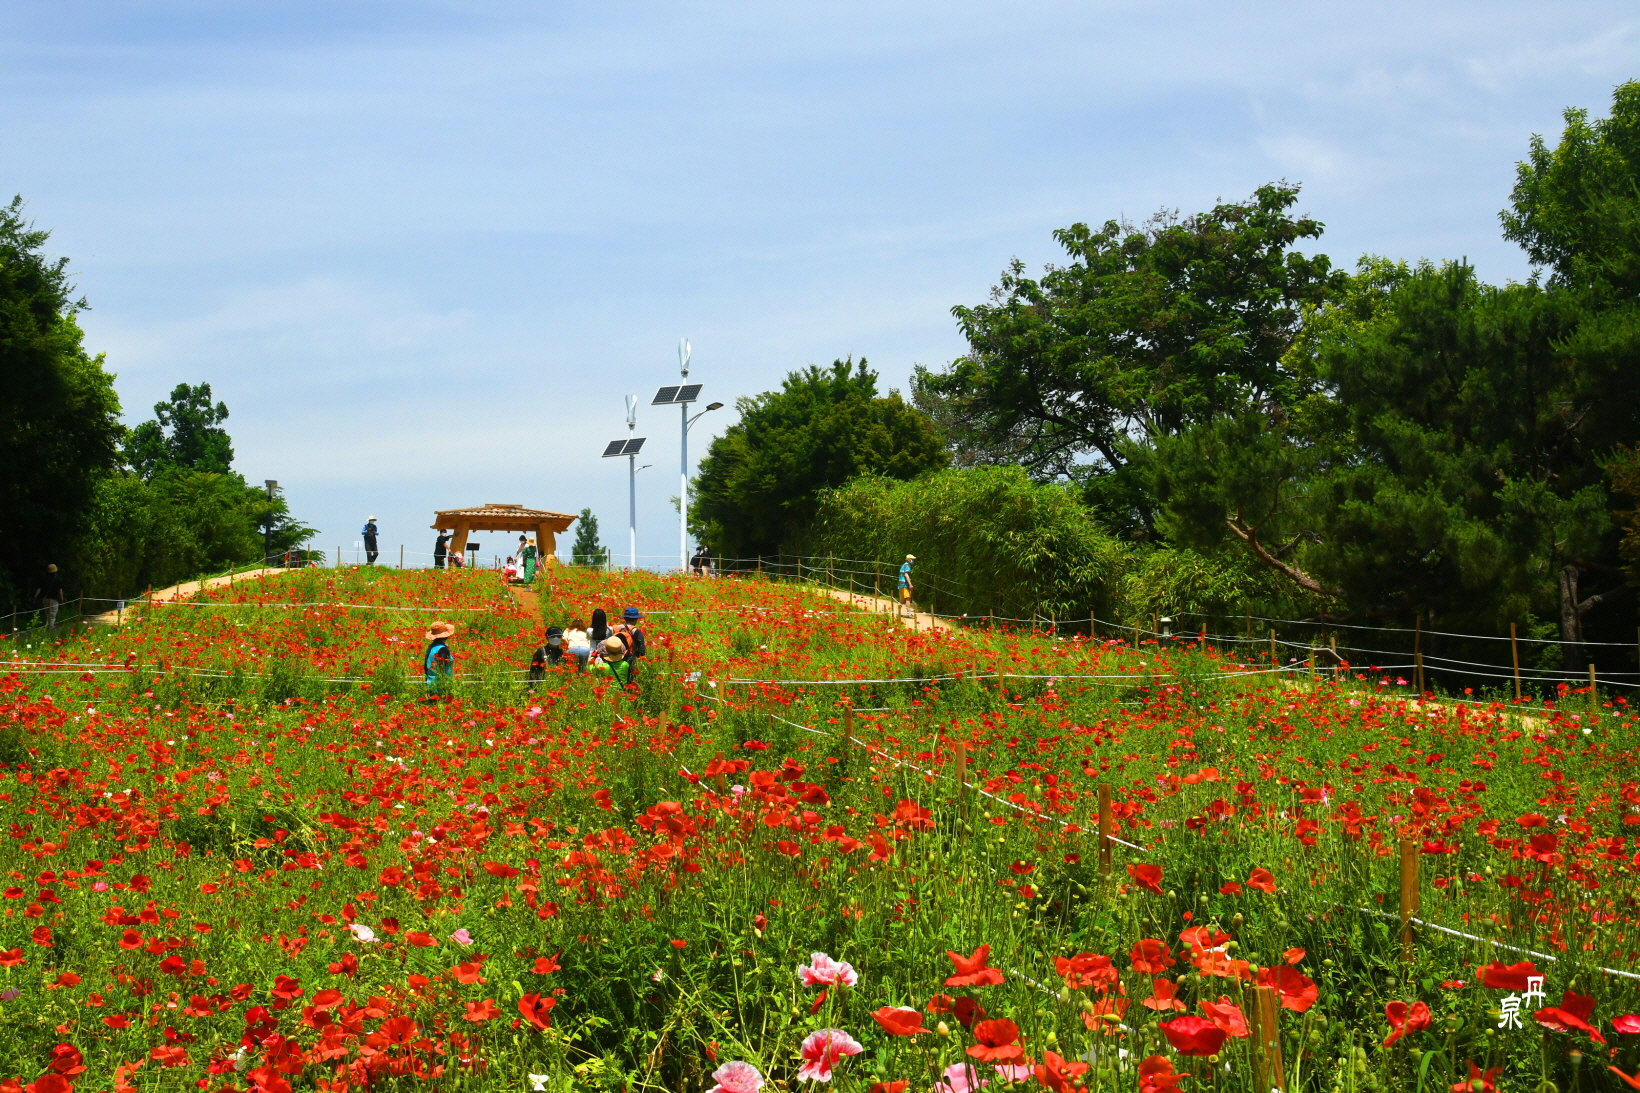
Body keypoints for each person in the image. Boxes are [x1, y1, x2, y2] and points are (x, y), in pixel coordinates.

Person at [422, 621, 455, 699]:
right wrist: (446, 689)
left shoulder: (431, 647)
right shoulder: (442, 649)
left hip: (430, 684)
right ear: (446, 636)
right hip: (440, 687)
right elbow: (442, 670)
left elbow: (426, 666)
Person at [33, 564, 64, 628]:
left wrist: (35, 597)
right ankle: (50, 628)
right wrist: (61, 600)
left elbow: (39, 588)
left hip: (45, 599)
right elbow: (60, 591)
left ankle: (47, 627)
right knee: (53, 614)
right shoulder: (58, 578)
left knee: (47, 614)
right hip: (54, 599)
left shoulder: (44, 578)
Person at [620, 606, 648, 671]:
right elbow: (641, 650)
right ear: (636, 619)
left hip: (616, 657)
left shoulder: (617, 628)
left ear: (625, 618)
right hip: (630, 657)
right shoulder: (636, 631)